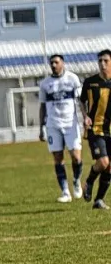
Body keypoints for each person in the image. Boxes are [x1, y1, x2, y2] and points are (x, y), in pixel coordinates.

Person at [38, 54, 83, 203]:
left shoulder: (72, 79)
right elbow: (42, 106)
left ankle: (76, 181)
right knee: (58, 158)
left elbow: (81, 101)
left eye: (56, 62)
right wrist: (41, 128)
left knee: (76, 157)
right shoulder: (45, 84)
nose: (53, 65)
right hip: (53, 125)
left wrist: (86, 118)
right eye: (51, 63)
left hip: (70, 124)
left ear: (62, 63)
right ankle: (65, 192)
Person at [81, 50, 111, 209]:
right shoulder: (90, 82)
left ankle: (99, 200)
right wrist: (85, 116)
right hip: (96, 129)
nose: (102, 64)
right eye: (100, 61)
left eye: (106, 60)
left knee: (109, 166)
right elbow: (81, 102)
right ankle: (89, 181)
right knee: (103, 161)